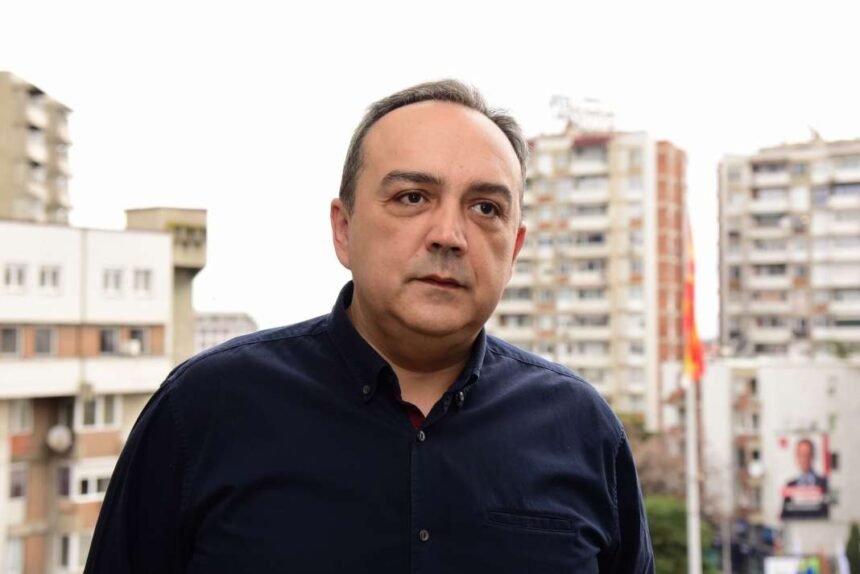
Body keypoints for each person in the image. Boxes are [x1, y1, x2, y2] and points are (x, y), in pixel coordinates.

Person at [85, 80, 654, 573]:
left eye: (486, 208)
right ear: (343, 229)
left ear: (516, 248)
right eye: (413, 197)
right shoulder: (205, 409)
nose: (449, 235)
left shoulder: (582, 431)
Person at [781, 438, 829, 520]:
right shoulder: (790, 485)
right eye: (801, 455)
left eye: (807, 454)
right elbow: (785, 516)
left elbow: (827, 513)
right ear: (796, 457)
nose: (804, 459)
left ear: (813, 456)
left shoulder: (824, 484)